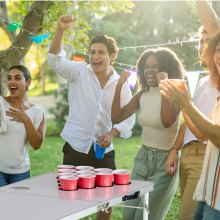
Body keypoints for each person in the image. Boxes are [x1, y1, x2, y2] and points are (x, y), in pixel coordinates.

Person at [48, 15, 135, 220]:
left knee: (105, 201)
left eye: (101, 53)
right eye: (92, 52)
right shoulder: (78, 71)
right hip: (75, 147)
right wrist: (60, 30)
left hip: (103, 152)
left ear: (112, 56)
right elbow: (54, 60)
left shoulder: (120, 83)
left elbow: (129, 116)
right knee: (68, 200)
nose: (95, 57)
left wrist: (112, 133)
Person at [111, 47, 185, 220]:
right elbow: (117, 117)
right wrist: (119, 85)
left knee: (145, 217)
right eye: (146, 66)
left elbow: (167, 121)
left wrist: (164, 85)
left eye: (155, 66)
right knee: (129, 215)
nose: (149, 70)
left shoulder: (176, 92)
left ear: (167, 69)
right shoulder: (142, 94)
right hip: (143, 159)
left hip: (165, 161)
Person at [160, 32, 220, 220]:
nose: (203, 45)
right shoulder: (203, 82)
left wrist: (184, 104)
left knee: (186, 215)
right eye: (200, 41)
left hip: (203, 154)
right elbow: (188, 122)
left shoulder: (217, 85)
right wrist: (175, 149)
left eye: (207, 41)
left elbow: (204, 133)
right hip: (188, 153)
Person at [0, 65, 45, 187]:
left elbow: (36, 144)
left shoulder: (37, 112)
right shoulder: (1, 104)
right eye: (9, 78)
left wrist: (26, 120)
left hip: (21, 172)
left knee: (19, 206)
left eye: (17, 78)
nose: (12, 82)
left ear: (28, 83)